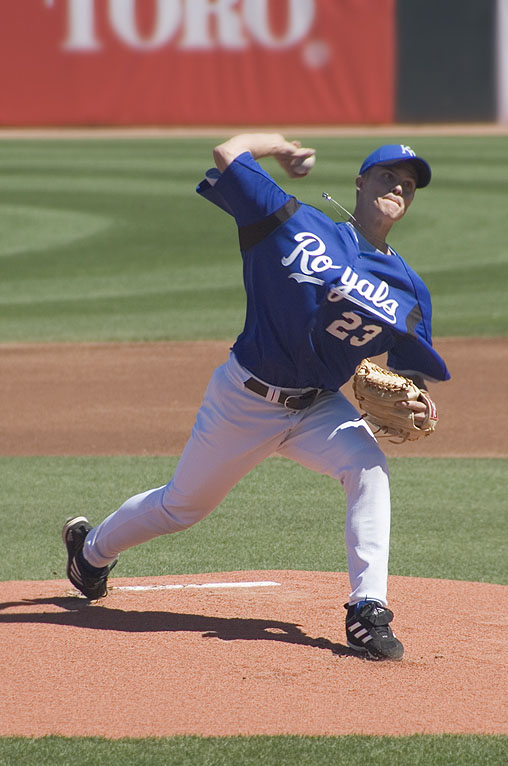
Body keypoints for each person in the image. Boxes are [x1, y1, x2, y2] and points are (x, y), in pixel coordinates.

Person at [63, 133, 450, 661]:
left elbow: (411, 371)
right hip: (244, 399)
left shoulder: (408, 288)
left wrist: (419, 401)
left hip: (318, 406)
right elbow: (228, 151)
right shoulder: (294, 222)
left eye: (408, 185)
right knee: (182, 507)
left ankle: (367, 611)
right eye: (387, 176)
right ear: (360, 183)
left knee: (368, 466)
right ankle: (89, 553)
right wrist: (284, 147)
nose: (398, 188)